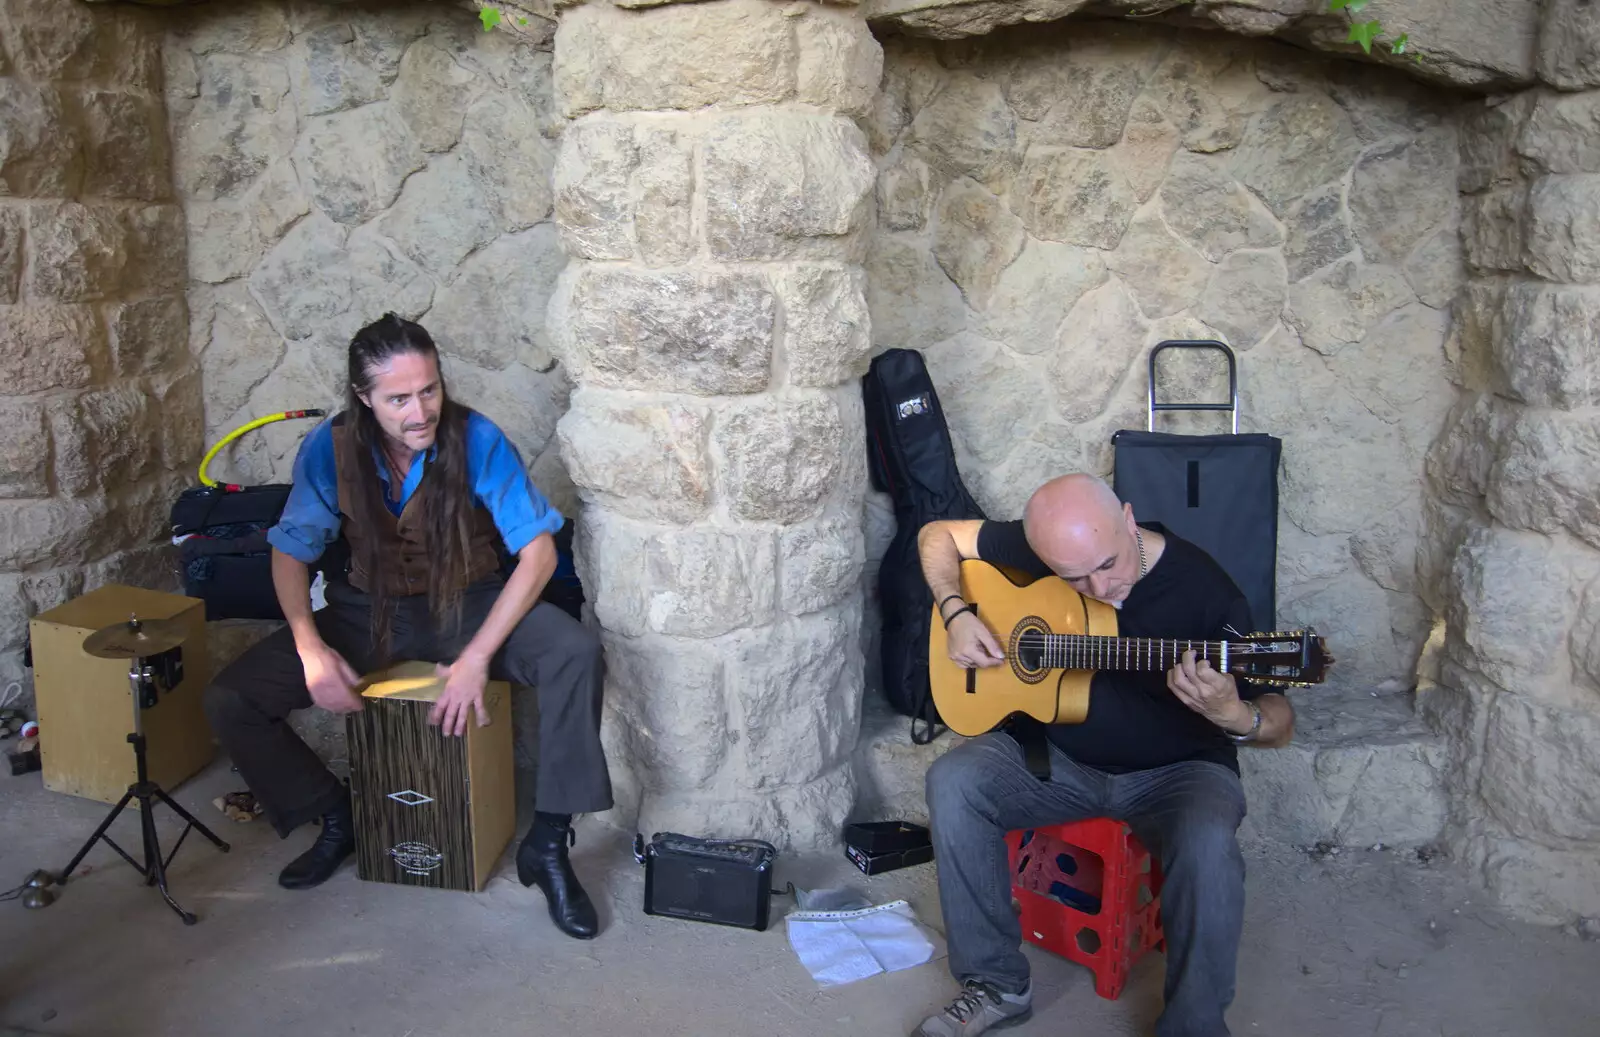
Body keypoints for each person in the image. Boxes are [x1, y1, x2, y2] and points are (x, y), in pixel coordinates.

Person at [203, 313, 612, 940]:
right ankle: (339, 819)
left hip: (470, 602)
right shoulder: (329, 447)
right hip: (365, 612)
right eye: (398, 398)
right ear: (364, 399)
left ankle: (549, 846)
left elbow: (540, 555)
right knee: (233, 698)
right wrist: (311, 648)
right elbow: (290, 551)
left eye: (429, 390)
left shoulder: (477, 438)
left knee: (574, 653)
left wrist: (477, 657)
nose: (419, 411)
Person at [911, 473, 1294, 1037]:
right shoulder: (1048, 542)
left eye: (1109, 564)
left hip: (1180, 770)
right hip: (1060, 758)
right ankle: (998, 986)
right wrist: (955, 611)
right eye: (1073, 576)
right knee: (954, 782)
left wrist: (1238, 718)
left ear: (1129, 520)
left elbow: (1280, 721)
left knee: (1209, 846)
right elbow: (937, 536)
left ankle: (1192, 1025)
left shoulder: (1208, 590)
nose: (1098, 585)